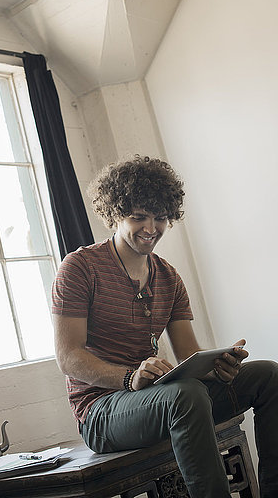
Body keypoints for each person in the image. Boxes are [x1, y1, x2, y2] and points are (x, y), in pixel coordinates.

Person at [52, 155, 278, 498]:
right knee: (184, 396)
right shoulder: (80, 267)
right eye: (138, 216)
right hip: (102, 413)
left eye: (160, 218)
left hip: (162, 398)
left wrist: (219, 368)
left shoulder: (169, 278)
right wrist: (130, 377)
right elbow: (69, 357)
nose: (151, 228)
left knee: (269, 376)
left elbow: (189, 356)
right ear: (115, 212)